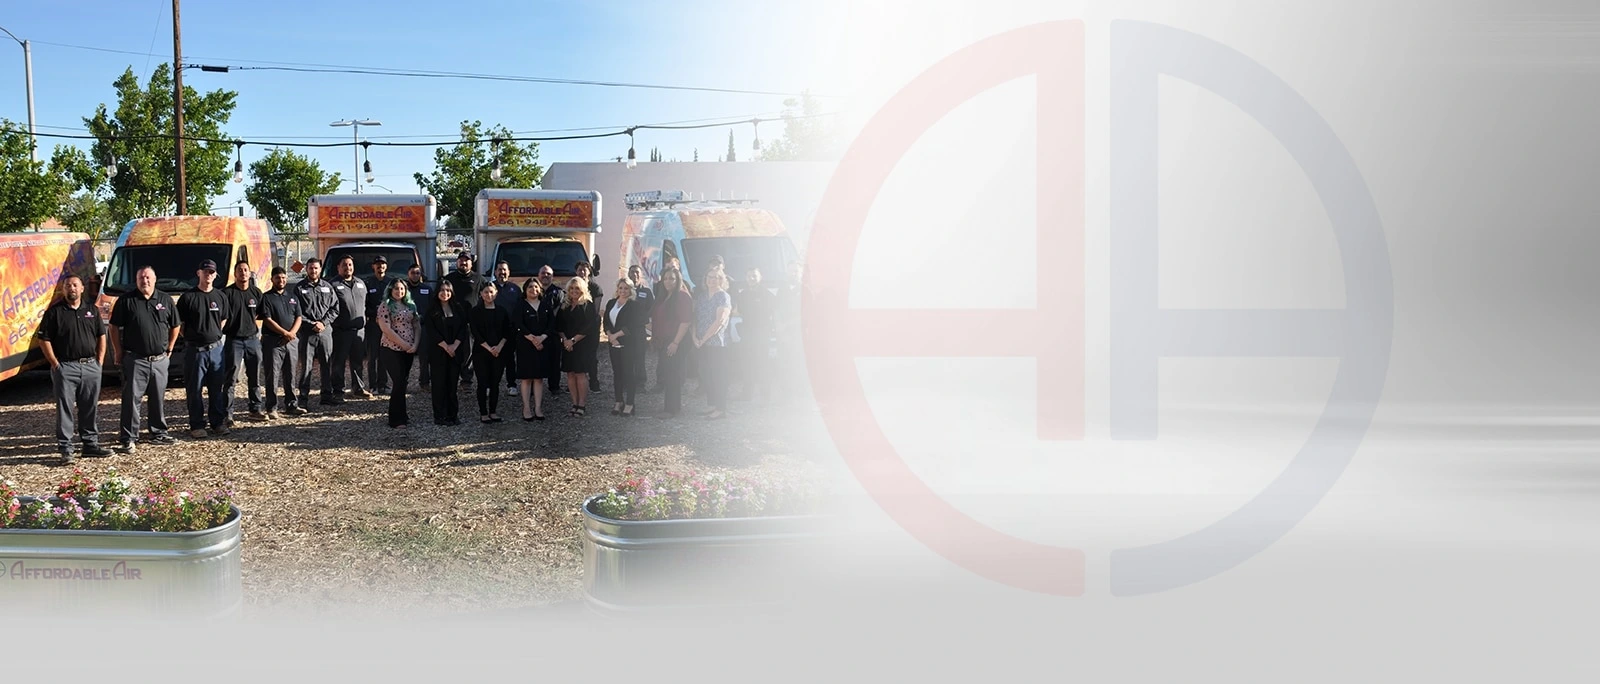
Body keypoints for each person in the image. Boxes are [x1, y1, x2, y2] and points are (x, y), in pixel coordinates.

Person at [37, 274, 110, 464]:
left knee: (89, 407)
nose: (72, 288)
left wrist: (99, 361)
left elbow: (101, 335)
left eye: (75, 285)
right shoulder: (54, 313)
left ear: (82, 288)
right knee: (65, 409)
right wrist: (55, 364)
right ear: (63, 289)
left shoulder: (91, 310)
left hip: (90, 366)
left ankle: (90, 445)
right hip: (65, 368)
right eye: (68, 285)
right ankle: (66, 448)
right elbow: (43, 339)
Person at [109, 266, 180, 453]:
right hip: (135, 359)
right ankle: (128, 437)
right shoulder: (126, 301)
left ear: (155, 279)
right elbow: (113, 327)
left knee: (158, 398)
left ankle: (158, 433)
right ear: (136, 280)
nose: (145, 281)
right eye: (141, 278)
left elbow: (176, 325)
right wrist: (118, 351)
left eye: (148, 277)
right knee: (132, 399)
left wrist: (170, 347)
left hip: (159, 360)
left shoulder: (165, 299)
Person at [176, 259, 230, 438]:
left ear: (216, 275)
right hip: (195, 351)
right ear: (198, 273)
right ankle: (197, 425)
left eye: (212, 272)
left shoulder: (220, 296)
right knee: (195, 389)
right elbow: (179, 325)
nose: (208, 275)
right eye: (205, 271)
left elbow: (223, 319)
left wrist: (214, 334)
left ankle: (218, 423)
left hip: (216, 350)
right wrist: (195, 338)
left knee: (216, 389)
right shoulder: (188, 298)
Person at [258, 266, 304, 420]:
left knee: (291, 373)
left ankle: (292, 404)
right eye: (278, 278)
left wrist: (292, 334)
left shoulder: (292, 297)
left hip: (291, 341)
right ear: (272, 279)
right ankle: (271, 407)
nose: (281, 280)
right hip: (273, 341)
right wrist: (284, 333)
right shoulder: (266, 298)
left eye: (283, 277)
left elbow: (299, 316)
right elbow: (267, 319)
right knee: (273, 375)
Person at [222, 261, 264, 421]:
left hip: (253, 339)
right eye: (240, 270)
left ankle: (255, 409)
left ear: (249, 273)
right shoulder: (227, 293)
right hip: (234, 340)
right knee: (230, 378)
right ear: (235, 273)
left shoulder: (256, 292)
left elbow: (261, 313)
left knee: (254, 376)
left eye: (246, 270)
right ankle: (227, 414)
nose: (243, 273)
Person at [376, 278, 420, 429]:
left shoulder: (410, 305)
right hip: (391, 349)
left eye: (402, 289)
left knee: (403, 383)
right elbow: (386, 329)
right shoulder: (385, 306)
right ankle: (395, 419)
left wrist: (414, 345)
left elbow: (417, 325)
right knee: (398, 381)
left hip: (408, 350)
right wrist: (404, 344)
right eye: (396, 289)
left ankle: (403, 415)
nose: (399, 291)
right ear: (390, 290)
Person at [295, 258, 338, 409]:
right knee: (306, 366)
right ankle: (303, 398)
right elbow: (297, 311)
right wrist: (311, 323)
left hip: (325, 331)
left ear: (320, 270)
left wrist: (323, 323)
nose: (313, 271)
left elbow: (335, 308)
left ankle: (327, 395)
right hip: (307, 333)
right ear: (306, 269)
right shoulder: (299, 288)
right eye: (311, 268)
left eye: (316, 268)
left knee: (326, 364)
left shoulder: (327, 287)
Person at [649, 267, 692, 419]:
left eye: (672, 278)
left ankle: (672, 409)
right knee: (667, 373)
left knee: (673, 375)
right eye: (665, 278)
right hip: (663, 341)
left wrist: (675, 342)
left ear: (678, 279)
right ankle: (671, 407)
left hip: (675, 341)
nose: (668, 281)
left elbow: (685, 322)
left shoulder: (682, 296)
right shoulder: (664, 296)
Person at [422, 281, 468, 426]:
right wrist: (446, 346)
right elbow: (431, 330)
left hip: (455, 352)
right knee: (439, 384)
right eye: (442, 290)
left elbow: (463, 328)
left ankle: (452, 415)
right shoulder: (432, 310)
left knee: (452, 385)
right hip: (438, 352)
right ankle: (439, 415)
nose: (445, 293)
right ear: (437, 292)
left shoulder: (458, 308)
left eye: (448, 290)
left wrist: (454, 345)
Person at [328, 255, 371, 402]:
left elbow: (366, 303)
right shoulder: (333, 285)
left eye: (350, 265)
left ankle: (357, 388)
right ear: (338, 267)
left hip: (359, 331)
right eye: (345, 265)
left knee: (358, 361)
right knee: (338, 362)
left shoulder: (360, 283)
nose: (348, 268)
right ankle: (338, 391)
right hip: (341, 331)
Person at [514, 276, 557, 421]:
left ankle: (538, 407)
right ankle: (526, 407)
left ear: (540, 289)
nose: (534, 289)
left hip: (543, 345)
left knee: (538, 378)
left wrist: (542, 338)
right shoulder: (520, 305)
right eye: (530, 287)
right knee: (526, 378)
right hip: (525, 345)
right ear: (525, 290)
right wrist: (532, 338)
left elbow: (551, 324)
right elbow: (518, 324)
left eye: (536, 287)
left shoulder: (545, 305)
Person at [602, 278, 647, 417]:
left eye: (626, 288)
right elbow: (606, 323)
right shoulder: (611, 303)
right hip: (613, 343)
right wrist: (610, 336)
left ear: (631, 290)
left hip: (629, 343)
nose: (623, 291)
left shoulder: (635, 305)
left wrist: (616, 336)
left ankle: (629, 403)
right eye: (621, 288)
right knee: (617, 373)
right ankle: (618, 401)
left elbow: (633, 325)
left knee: (629, 373)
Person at [692, 270, 734, 420]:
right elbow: (694, 318)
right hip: (701, 342)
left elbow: (720, 321)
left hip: (717, 344)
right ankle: (712, 405)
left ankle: (721, 408)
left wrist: (703, 339)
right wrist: (694, 337)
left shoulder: (723, 296)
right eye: (710, 277)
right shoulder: (702, 297)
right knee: (706, 375)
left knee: (718, 376)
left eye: (716, 278)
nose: (712, 280)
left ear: (721, 280)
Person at [469, 281, 513, 423]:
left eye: (491, 292)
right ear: (481, 294)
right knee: (482, 382)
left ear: (496, 293)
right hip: (481, 351)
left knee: (495, 382)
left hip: (499, 352)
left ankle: (493, 411)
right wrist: (489, 348)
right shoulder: (476, 311)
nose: (489, 295)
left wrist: (499, 347)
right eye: (486, 292)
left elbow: (507, 331)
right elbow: (475, 332)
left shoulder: (502, 311)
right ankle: (483, 413)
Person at [733, 266, 776, 405]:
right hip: (747, 334)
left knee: (763, 364)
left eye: (754, 276)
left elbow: (772, 314)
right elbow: (738, 312)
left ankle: (766, 395)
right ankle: (747, 394)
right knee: (747, 364)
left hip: (762, 334)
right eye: (749, 276)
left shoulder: (767, 295)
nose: (751, 278)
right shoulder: (742, 294)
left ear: (760, 277)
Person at [557, 276, 599, 417]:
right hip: (567, 345)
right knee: (570, 374)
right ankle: (574, 403)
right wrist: (565, 340)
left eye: (577, 288)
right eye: (571, 288)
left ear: (583, 289)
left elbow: (589, 327)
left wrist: (573, 340)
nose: (574, 291)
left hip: (581, 345)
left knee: (580, 374)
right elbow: (559, 325)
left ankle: (582, 404)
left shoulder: (587, 305)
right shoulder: (565, 306)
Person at [442, 252, 485, 387]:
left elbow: (486, 296)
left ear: (471, 263)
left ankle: (466, 379)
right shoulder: (449, 278)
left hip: (470, 321)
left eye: (466, 260)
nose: (463, 263)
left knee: (468, 351)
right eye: (461, 260)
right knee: (452, 349)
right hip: (452, 319)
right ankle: (451, 377)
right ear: (457, 263)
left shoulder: (479, 279)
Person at [364, 255, 398, 396]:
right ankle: (373, 386)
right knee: (372, 357)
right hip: (373, 324)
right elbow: (364, 304)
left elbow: (396, 300)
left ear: (386, 266)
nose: (380, 267)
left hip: (388, 325)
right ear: (373, 267)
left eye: (382, 264)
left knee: (384, 355)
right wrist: (375, 315)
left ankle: (383, 384)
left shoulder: (391, 282)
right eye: (377, 264)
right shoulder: (368, 283)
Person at [490, 260, 522, 397]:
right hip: (494, 330)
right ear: (495, 272)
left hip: (511, 330)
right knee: (493, 359)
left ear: (508, 272)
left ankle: (512, 384)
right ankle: (491, 385)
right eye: (499, 270)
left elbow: (520, 309)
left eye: (504, 270)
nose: (502, 272)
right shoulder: (490, 288)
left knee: (510, 359)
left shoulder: (515, 289)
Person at [571, 260, 604, 388]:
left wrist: (587, 327)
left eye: (585, 269)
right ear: (576, 271)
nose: (582, 272)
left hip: (591, 327)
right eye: (580, 269)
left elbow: (595, 311)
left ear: (589, 272)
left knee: (591, 355)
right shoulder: (572, 286)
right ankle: (575, 382)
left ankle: (593, 380)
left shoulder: (595, 288)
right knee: (575, 354)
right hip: (574, 327)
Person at [535, 266, 565, 395]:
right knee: (536, 361)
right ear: (538, 275)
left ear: (552, 277)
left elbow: (559, 313)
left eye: (548, 274)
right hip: (537, 333)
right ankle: (535, 386)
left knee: (554, 360)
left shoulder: (559, 293)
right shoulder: (533, 290)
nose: (545, 276)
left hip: (553, 333)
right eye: (543, 273)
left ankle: (554, 386)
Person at [405, 263, 433, 392]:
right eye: (413, 273)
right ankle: (403, 382)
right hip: (406, 327)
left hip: (423, 327)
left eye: (417, 273)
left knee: (424, 356)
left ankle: (424, 383)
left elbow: (433, 309)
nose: (415, 275)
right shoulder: (403, 289)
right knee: (405, 357)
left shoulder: (427, 289)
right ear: (408, 274)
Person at [627, 264, 653, 391]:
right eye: (632, 272)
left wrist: (642, 318)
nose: (634, 275)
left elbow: (651, 308)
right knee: (627, 357)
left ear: (641, 275)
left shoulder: (646, 292)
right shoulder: (624, 290)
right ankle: (627, 382)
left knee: (639, 356)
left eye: (637, 272)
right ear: (628, 274)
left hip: (639, 330)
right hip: (626, 330)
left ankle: (641, 383)